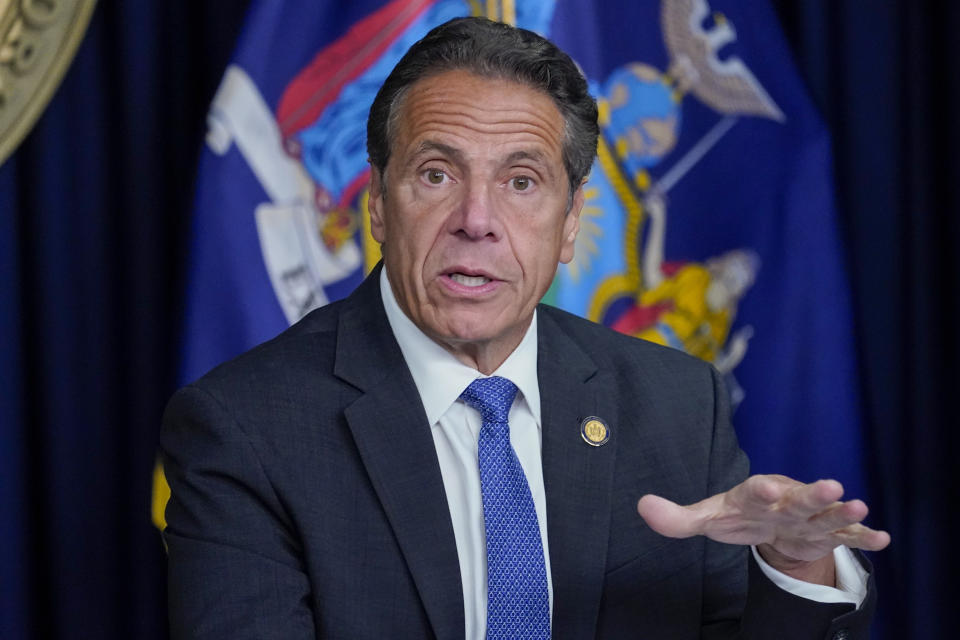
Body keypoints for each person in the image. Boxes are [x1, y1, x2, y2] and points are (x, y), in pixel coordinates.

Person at [161, 16, 889, 640]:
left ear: (570, 225)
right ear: (379, 204)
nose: (477, 221)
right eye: (438, 174)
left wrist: (794, 568)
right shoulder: (246, 428)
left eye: (521, 182)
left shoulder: (676, 406)